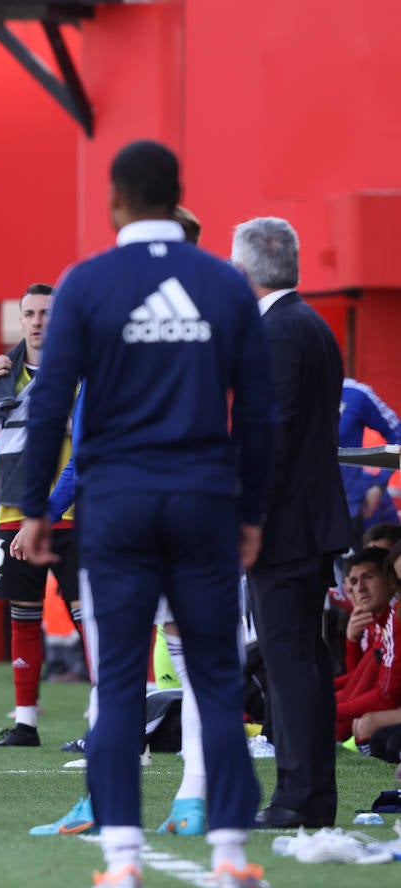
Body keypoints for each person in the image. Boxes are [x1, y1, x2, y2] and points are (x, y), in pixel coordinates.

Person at [19, 140, 274, 888]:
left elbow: (49, 401)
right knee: (217, 676)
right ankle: (230, 848)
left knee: (120, 679)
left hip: (116, 508)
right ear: (178, 195)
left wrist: (35, 507)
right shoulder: (225, 284)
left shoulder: (88, 283)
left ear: (115, 201)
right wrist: (251, 510)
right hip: (203, 503)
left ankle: (122, 857)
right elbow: (259, 411)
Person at [234, 216, 351, 830]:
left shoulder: (278, 332)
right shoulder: (310, 324)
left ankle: (296, 797)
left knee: (290, 665)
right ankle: (311, 797)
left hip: (283, 529)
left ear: (245, 270)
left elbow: (269, 436)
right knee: (301, 663)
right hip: (304, 524)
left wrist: (245, 518)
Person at [0, 283, 83, 747]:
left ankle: (103, 722)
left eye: (46, 313)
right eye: (29, 313)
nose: (36, 321)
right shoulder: (3, 374)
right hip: (14, 515)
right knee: (23, 617)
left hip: (72, 512)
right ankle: (26, 724)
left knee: (88, 618)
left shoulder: (80, 372)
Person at [333, 547, 401, 745]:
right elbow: (360, 678)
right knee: (361, 726)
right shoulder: (381, 619)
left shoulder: (393, 616)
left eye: (368, 577)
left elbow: (387, 695)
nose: (359, 588)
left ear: (389, 580)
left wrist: (330, 709)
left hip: (390, 703)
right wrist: (351, 641)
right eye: (353, 582)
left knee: (366, 728)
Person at [339, 378, 401, 535]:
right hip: (300, 509)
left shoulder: (355, 394)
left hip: (352, 509)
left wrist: (379, 484)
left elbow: (398, 435)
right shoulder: (284, 392)